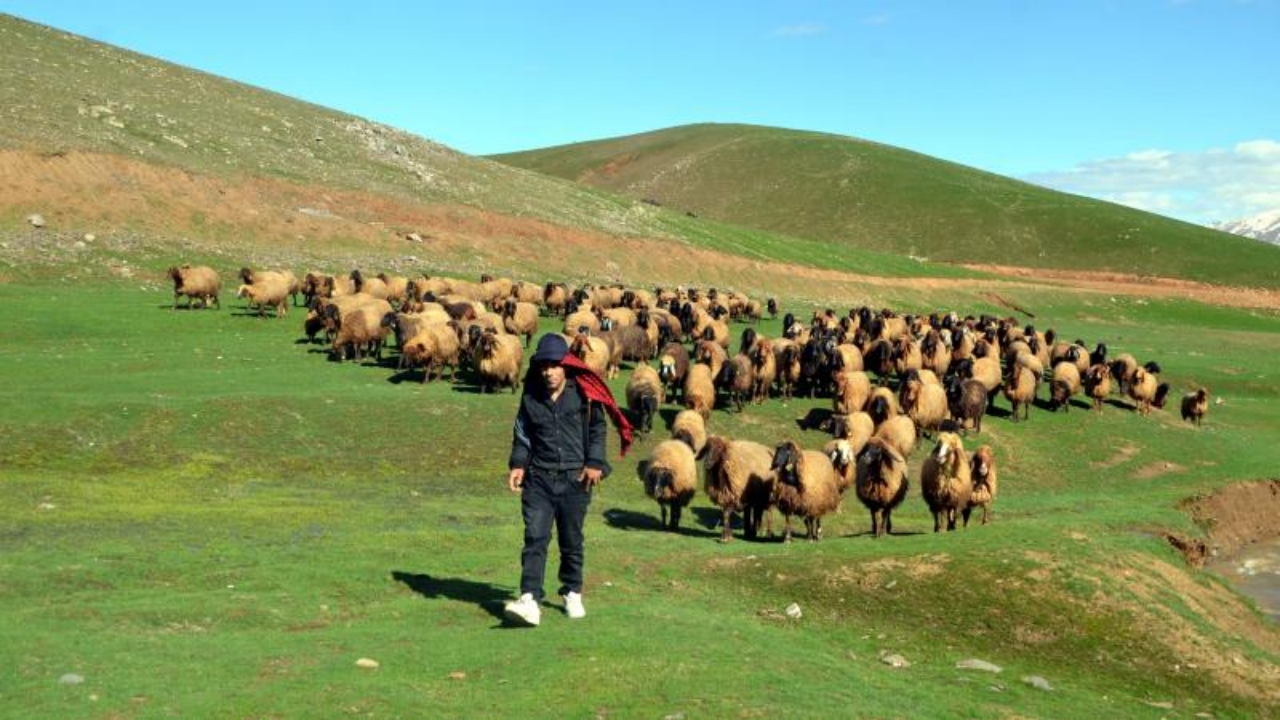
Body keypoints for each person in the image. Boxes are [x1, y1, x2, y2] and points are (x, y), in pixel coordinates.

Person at [503, 332, 632, 627]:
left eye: (554, 365)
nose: (548, 372)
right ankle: (529, 598)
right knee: (535, 538)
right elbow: (522, 434)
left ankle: (572, 591)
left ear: (566, 365)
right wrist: (518, 464)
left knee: (571, 540)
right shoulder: (531, 396)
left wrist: (595, 462)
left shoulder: (584, 394)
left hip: (575, 479)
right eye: (544, 366)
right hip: (539, 479)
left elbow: (598, 429)